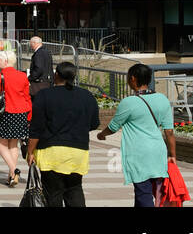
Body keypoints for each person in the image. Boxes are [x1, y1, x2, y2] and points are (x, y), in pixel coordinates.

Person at [98, 63, 177, 207]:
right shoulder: (162, 99)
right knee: (157, 191)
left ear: (133, 79)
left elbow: (114, 126)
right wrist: (172, 154)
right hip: (158, 151)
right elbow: (169, 131)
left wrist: (101, 135)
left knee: (143, 192)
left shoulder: (129, 102)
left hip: (139, 153)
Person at [27, 62, 101, 207]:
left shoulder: (44, 95)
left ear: (56, 75)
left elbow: (36, 128)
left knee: (53, 193)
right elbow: (94, 123)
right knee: (75, 190)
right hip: (78, 152)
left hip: (51, 153)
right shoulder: (86, 96)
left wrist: (30, 152)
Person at [0, 50, 32, 186]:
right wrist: (29, 115)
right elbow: (27, 96)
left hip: (6, 113)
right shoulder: (22, 76)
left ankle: (13, 170)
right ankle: (11, 176)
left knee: (1, 143)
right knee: (13, 144)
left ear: (5, 61)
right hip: (21, 112)